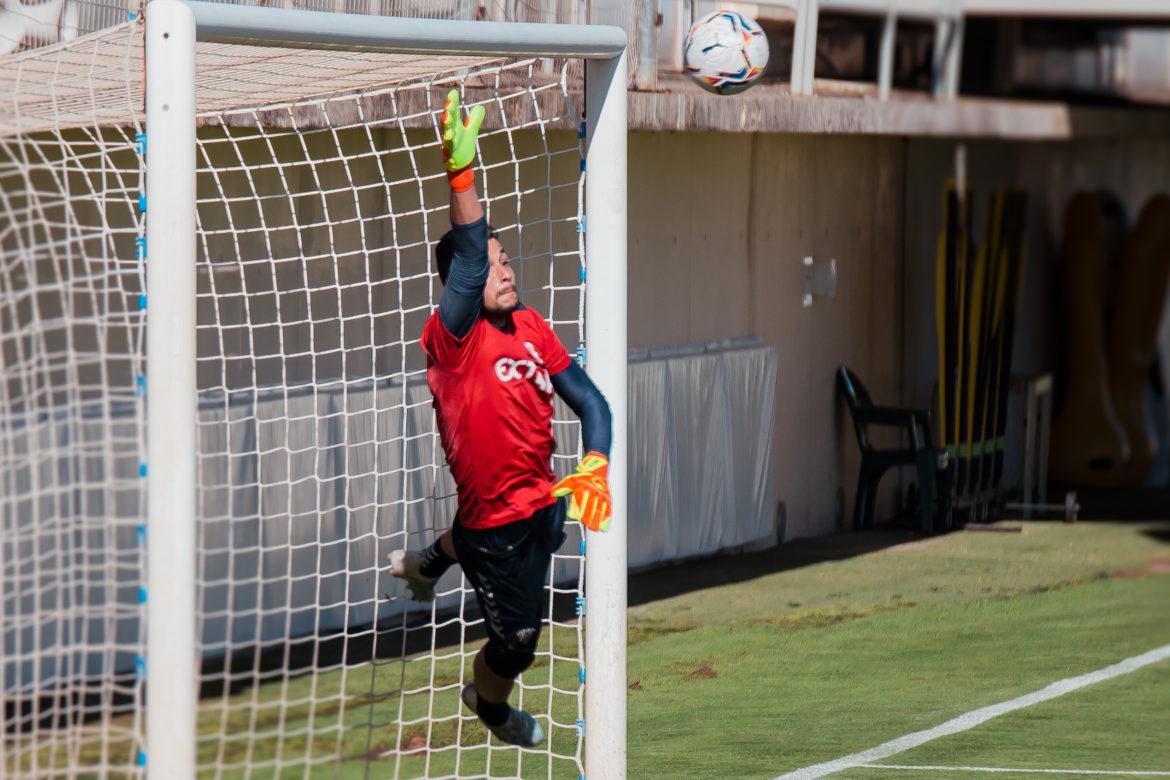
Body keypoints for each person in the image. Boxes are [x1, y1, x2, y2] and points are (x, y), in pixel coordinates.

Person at [387, 89, 614, 748]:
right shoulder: (451, 338)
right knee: (515, 648)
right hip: (495, 529)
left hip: (541, 504)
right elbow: (466, 253)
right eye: (491, 263)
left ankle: (428, 563)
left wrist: (593, 464)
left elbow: (592, 403)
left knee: (528, 516)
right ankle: (486, 708)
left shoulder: (532, 328)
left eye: (508, 258)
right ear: (461, 279)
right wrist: (462, 176)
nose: (505, 269)